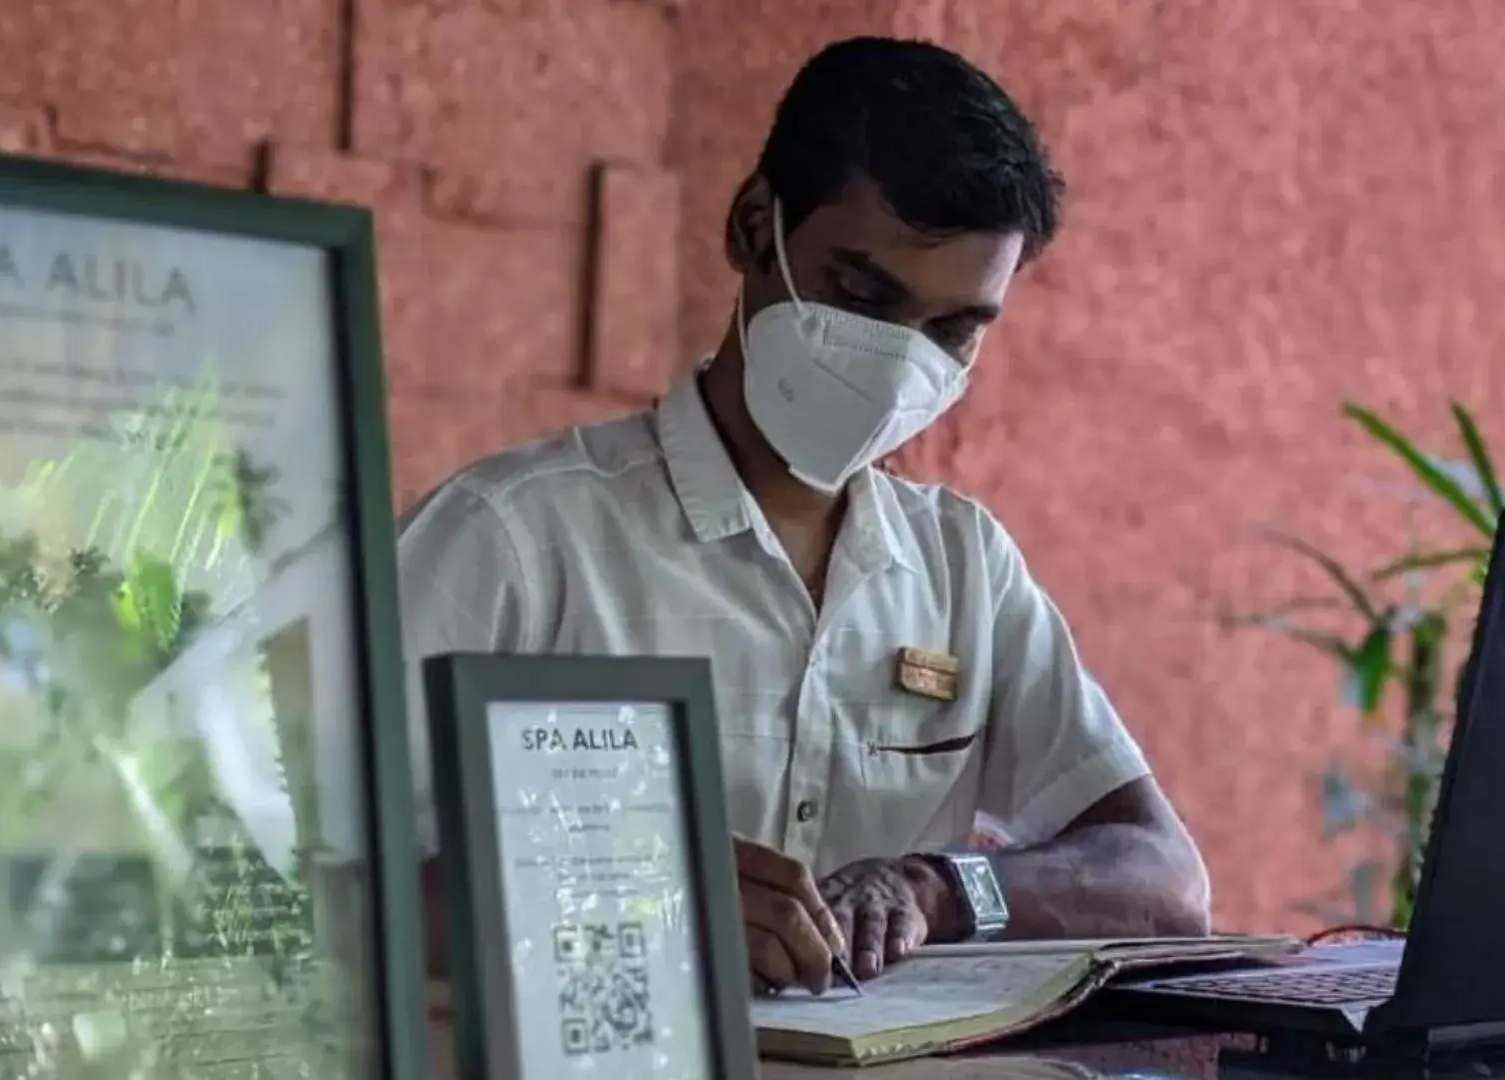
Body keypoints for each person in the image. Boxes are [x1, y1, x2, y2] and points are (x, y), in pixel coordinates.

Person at [399, 35, 1210, 999]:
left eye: (952, 330)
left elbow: (1163, 879)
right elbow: (294, 887)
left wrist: (940, 889)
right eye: (862, 295)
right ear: (752, 228)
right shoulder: (518, 542)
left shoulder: (963, 569)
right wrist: (617, 898)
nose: (896, 361)